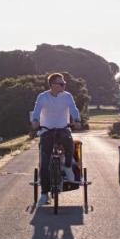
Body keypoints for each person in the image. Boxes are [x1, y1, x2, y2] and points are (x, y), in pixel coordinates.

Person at [30, 73, 82, 205]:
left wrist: (76, 120)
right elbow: (36, 111)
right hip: (47, 130)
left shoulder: (67, 96)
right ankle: (44, 194)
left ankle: (68, 166)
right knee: (44, 161)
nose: (64, 85)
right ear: (53, 85)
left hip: (63, 128)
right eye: (61, 83)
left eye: (64, 83)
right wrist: (35, 121)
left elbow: (73, 110)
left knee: (69, 143)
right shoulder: (43, 97)